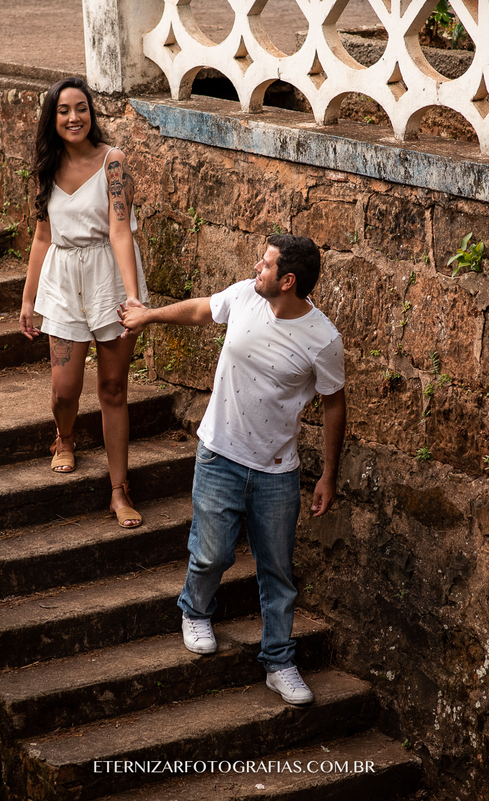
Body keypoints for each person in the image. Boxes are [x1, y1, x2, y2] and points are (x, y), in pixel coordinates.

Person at [119, 234, 346, 705]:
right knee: (213, 552)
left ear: (288, 281)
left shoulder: (323, 340)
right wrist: (149, 316)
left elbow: (333, 406)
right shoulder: (245, 295)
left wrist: (328, 474)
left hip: (276, 471)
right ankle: (194, 610)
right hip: (220, 452)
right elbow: (203, 309)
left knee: (278, 573)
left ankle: (279, 661)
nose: (255, 269)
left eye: (265, 265)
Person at [19, 76, 149, 528]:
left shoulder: (113, 164)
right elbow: (41, 235)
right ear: (52, 119)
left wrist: (133, 298)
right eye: (63, 110)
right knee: (64, 389)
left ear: (91, 113)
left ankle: (118, 490)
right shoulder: (46, 166)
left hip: (108, 278)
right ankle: (65, 435)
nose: (74, 117)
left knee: (113, 389)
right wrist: (28, 296)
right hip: (61, 279)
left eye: (81, 108)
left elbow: (120, 231)